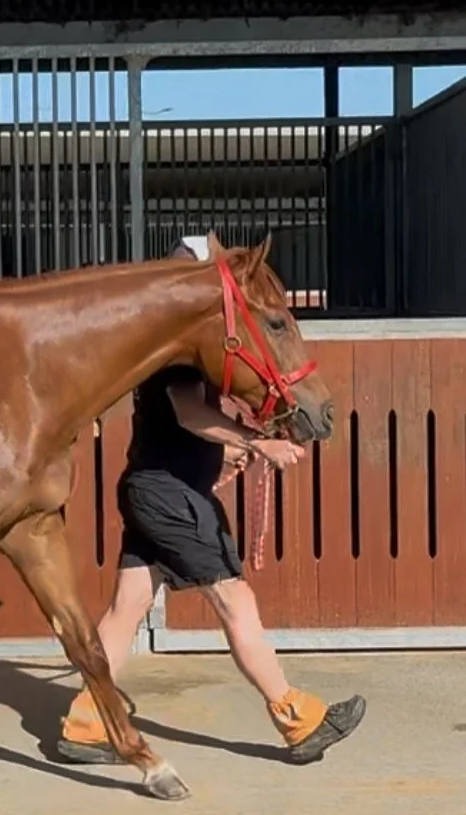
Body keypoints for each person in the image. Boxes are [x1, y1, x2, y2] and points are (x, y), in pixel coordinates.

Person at [59, 236, 366, 767]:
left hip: (154, 488)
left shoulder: (167, 339)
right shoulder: (177, 347)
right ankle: (298, 720)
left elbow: (182, 426)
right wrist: (256, 440)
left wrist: (223, 454)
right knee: (235, 602)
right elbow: (187, 414)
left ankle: (87, 724)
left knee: (126, 610)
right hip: (170, 497)